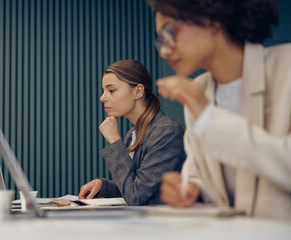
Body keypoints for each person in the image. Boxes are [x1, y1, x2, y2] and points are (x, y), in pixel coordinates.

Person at [148, 0, 291, 220]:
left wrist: (208, 117)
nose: (165, 51)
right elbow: (202, 175)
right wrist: (191, 191)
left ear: (211, 19)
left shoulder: (287, 67)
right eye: (161, 40)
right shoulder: (200, 90)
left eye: (171, 31)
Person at [78, 60, 186, 206]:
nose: (102, 97)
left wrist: (115, 141)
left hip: (167, 225)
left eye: (111, 90)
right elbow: (133, 185)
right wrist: (103, 185)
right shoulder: (133, 134)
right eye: (104, 90)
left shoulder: (167, 132)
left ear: (138, 91)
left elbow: (136, 196)